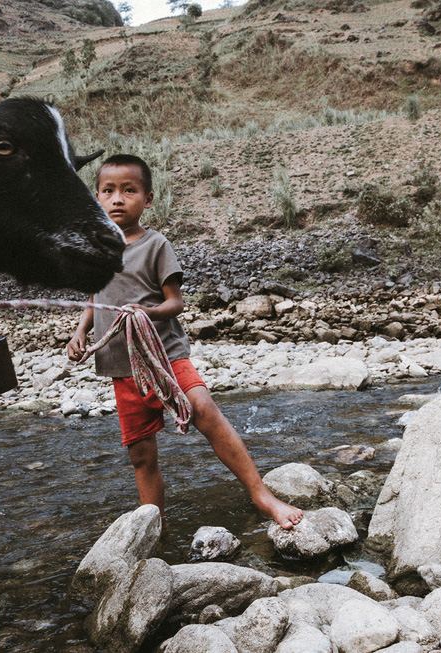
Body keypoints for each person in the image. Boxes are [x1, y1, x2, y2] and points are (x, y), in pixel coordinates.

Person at [67, 154, 303, 529]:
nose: (117, 199)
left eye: (129, 191)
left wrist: (147, 313)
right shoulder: (96, 248)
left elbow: (175, 302)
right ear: (96, 198)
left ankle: (262, 495)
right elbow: (96, 297)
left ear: (148, 199)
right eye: (108, 191)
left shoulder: (155, 245)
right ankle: (154, 530)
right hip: (121, 366)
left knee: (205, 410)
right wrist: (81, 330)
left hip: (164, 356)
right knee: (142, 456)